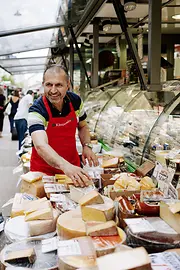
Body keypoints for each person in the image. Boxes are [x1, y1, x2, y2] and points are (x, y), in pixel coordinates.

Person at [28, 65, 98, 187]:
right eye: (49, 85)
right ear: (43, 84)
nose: (53, 90)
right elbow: (40, 145)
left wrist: (86, 146)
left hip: (72, 169)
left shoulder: (75, 101)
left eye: (59, 85)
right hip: (44, 172)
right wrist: (64, 166)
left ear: (68, 85)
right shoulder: (37, 110)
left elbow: (82, 126)